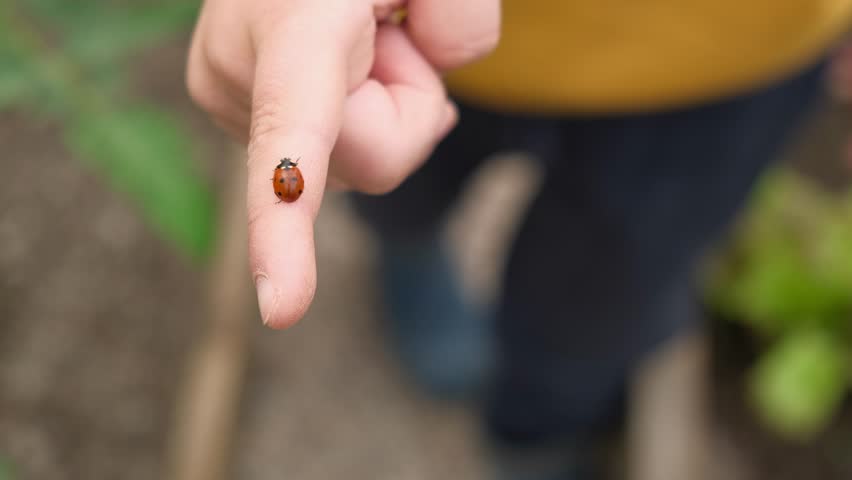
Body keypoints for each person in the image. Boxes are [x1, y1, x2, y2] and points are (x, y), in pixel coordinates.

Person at [186, 1, 852, 478]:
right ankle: (410, 257)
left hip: (735, 62)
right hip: (419, 40)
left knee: (600, 301)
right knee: (396, 183)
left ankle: (537, 432)